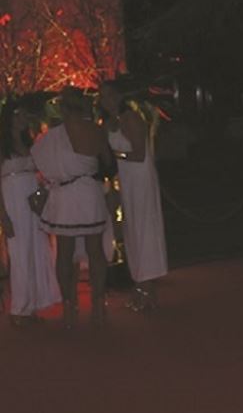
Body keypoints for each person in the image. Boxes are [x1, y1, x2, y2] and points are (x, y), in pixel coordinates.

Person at [30, 87, 114, 328]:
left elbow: (40, 165)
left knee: (65, 252)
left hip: (65, 196)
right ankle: (98, 304)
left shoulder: (51, 137)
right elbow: (108, 164)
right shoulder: (94, 131)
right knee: (95, 250)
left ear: (63, 108)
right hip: (88, 193)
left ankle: (69, 305)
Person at [99, 79, 167, 312]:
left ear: (119, 96)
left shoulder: (130, 118)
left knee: (144, 228)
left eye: (110, 95)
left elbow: (139, 154)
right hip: (125, 179)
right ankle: (139, 283)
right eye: (103, 96)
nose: (106, 100)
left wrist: (115, 153)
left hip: (140, 177)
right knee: (131, 230)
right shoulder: (109, 122)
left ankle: (147, 287)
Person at [0, 97, 60, 326]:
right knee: (20, 252)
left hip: (32, 203)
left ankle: (33, 304)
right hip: (13, 202)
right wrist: (3, 216)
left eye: (26, 115)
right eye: (20, 115)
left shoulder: (29, 142)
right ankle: (19, 308)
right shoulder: (3, 146)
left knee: (36, 250)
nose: (25, 118)